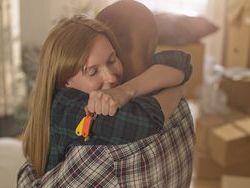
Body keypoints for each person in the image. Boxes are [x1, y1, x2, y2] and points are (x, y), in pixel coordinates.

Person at [22, 15, 192, 177]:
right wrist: (177, 89)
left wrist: (125, 90)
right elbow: (147, 120)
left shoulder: (106, 90)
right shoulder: (67, 106)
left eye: (112, 60)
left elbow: (180, 63)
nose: (111, 77)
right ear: (65, 81)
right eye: (93, 72)